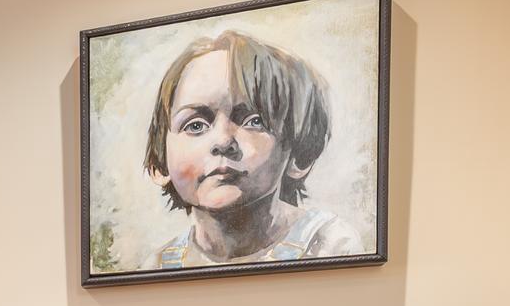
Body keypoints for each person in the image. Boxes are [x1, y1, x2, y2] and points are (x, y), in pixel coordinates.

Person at [143, 29, 362, 267]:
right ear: (159, 164)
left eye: (254, 121)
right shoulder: (156, 265)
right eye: (195, 125)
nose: (223, 141)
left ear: (298, 156)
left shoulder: (330, 244)